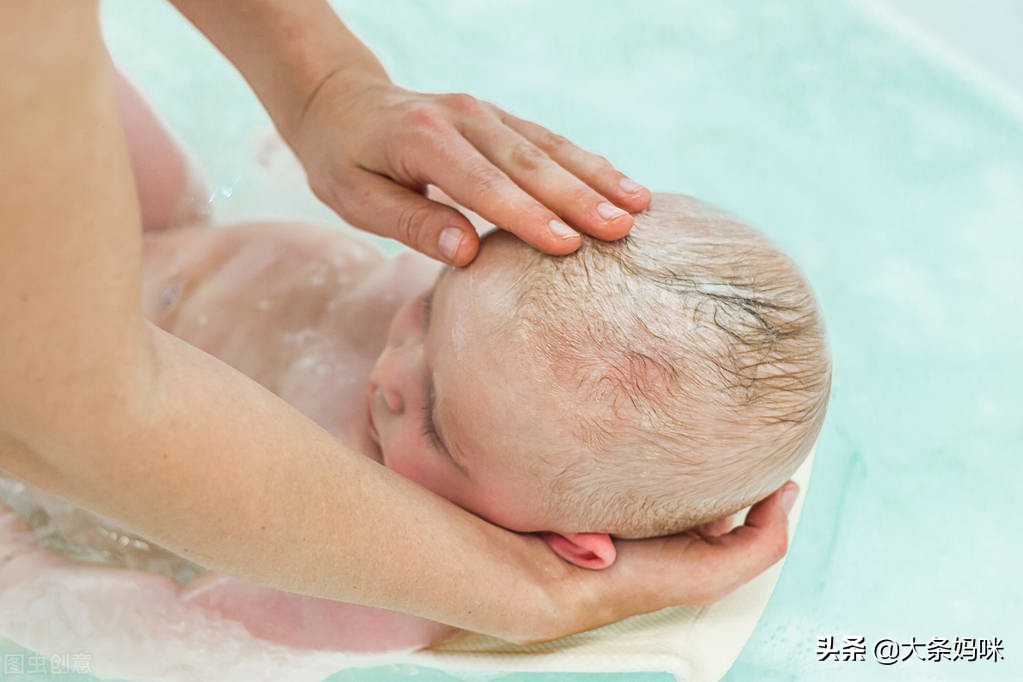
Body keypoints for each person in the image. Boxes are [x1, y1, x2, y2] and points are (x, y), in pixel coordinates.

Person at [0, 0, 797, 644]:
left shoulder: (394, 584)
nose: (390, 372)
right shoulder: (496, 323)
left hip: (46, 420)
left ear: (569, 543)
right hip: (164, 231)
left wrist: (24, 572)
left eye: (438, 426)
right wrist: (316, 108)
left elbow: (198, 634)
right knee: (71, 82)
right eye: (425, 309)